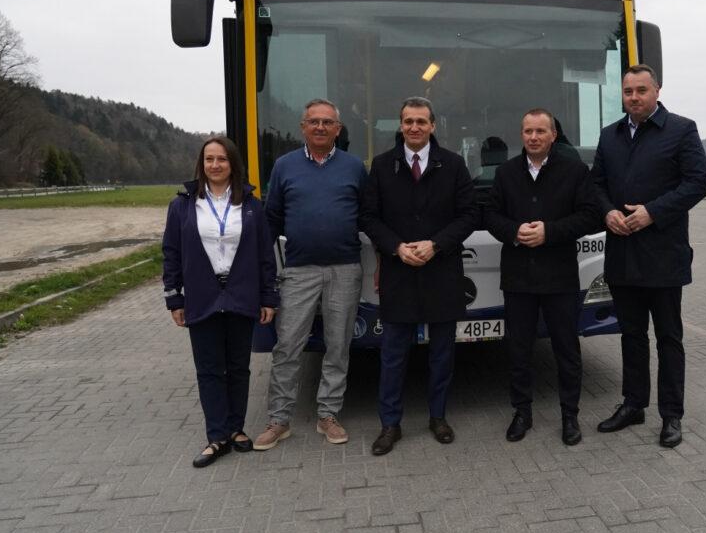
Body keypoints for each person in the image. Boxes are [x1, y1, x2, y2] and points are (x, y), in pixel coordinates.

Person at [591, 64, 706, 448]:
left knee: (668, 338)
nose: (634, 97)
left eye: (641, 90)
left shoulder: (681, 129)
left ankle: (671, 415)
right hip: (622, 254)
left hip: (663, 255)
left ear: (657, 90)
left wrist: (652, 213)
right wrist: (608, 211)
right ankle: (633, 404)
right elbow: (595, 185)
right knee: (631, 335)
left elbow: (699, 182)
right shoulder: (610, 136)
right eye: (628, 91)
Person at [359, 96, 479, 456]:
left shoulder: (454, 165)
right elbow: (368, 217)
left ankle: (438, 417)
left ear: (433, 126)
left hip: (442, 271)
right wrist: (396, 248)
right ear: (400, 125)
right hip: (399, 271)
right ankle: (389, 424)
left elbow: (470, 215)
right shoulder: (381, 166)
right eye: (408, 121)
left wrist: (436, 244)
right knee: (393, 355)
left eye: (421, 122)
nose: (414, 127)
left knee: (442, 354)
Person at [253, 99, 368, 450]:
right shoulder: (284, 166)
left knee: (338, 346)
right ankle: (278, 420)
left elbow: (369, 216)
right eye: (313, 122)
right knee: (287, 345)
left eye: (328, 123)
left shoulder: (354, 168)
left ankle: (328, 415)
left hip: (345, 269)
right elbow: (270, 220)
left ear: (338, 129)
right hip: (299, 271)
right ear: (303, 127)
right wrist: (260, 269)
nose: (320, 127)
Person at [484, 108, 600, 445]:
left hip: (560, 277)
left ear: (552, 135)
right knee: (518, 350)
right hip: (518, 278)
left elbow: (591, 216)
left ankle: (570, 415)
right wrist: (515, 232)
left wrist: (550, 232)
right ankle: (522, 412)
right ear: (521, 135)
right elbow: (490, 215)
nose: (533, 137)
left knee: (567, 349)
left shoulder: (575, 171)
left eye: (540, 131)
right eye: (527, 131)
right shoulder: (505, 173)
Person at [162, 136, 279, 468]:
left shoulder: (252, 204)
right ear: (201, 164)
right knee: (210, 369)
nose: (215, 165)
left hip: (242, 295)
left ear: (233, 164)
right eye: (209, 159)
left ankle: (237, 429)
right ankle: (217, 436)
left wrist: (268, 296)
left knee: (239, 367)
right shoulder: (183, 205)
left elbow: (264, 255)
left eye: (222, 159)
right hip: (202, 296)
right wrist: (174, 298)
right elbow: (171, 255)